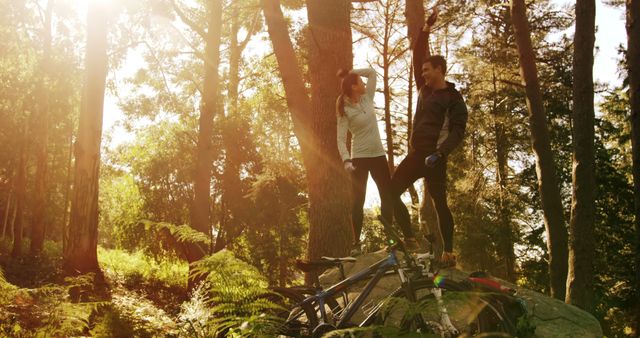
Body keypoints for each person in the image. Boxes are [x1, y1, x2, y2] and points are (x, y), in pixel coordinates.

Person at [391, 9, 468, 266]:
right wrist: (425, 29)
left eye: (427, 70)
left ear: (440, 70)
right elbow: (416, 56)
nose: (422, 73)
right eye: (422, 70)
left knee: (440, 205)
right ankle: (409, 238)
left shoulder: (454, 99)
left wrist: (441, 152)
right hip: (416, 155)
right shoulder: (424, 90)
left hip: (436, 158)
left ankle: (449, 252)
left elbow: (458, 131)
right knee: (391, 191)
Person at [336, 68, 393, 256]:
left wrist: (350, 71)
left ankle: (390, 240)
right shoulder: (343, 108)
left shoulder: (367, 97)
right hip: (359, 158)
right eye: (359, 81)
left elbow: (372, 73)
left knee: (387, 195)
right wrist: (346, 160)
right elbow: (340, 138)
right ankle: (356, 244)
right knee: (357, 201)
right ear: (354, 87)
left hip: (378, 155)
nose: (363, 83)